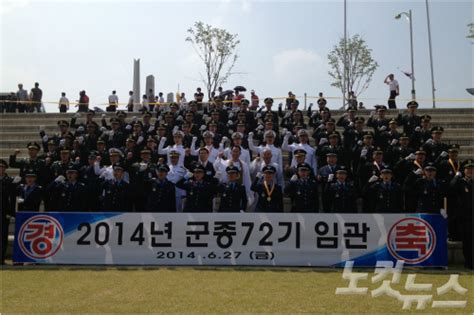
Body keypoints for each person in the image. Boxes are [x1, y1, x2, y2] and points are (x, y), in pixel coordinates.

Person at [450, 160, 473, 269]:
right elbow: (451, 188)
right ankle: (469, 262)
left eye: (472, 169)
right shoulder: (461, 182)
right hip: (465, 217)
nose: (470, 171)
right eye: (468, 169)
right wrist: (456, 177)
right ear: (464, 171)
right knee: (467, 241)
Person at [0, 160, 17, 264]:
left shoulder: (9, 181)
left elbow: (12, 198)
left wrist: (11, 212)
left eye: (2, 167)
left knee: (3, 236)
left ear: (5, 168)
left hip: (3, 212)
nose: (0, 168)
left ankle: (1, 258)